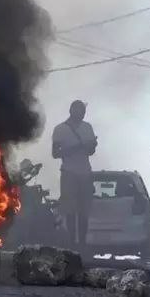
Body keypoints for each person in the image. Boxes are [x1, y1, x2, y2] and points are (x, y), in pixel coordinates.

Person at [52, 100, 98, 249]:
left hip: (85, 172)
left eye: (83, 111)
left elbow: (91, 152)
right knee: (70, 210)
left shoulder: (87, 127)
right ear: (72, 110)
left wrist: (91, 146)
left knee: (84, 210)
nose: (82, 114)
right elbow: (55, 153)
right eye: (80, 111)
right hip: (69, 172)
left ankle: (82, 243)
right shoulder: (60, 129)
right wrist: (76, 147)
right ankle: (72, 242)